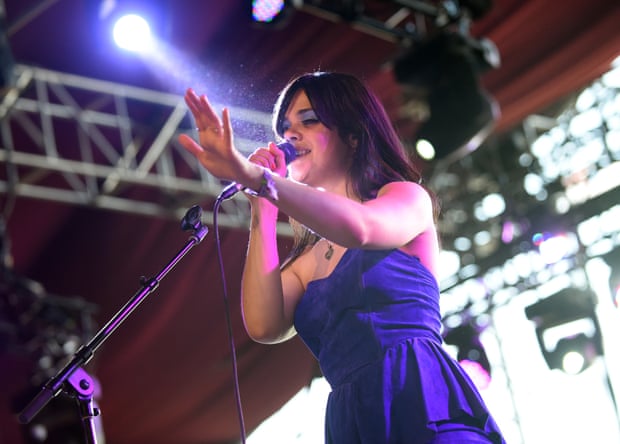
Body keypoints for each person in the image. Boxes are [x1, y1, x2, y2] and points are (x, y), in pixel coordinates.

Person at [179, 71, 506, 444]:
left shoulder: (405, 197)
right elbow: (263, 325)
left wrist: (260, 179)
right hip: (354, 417)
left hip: (419, 395)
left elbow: (361, 229)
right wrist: (262, 210)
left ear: (352, 135)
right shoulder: (304, 262)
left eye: (308, 120)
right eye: (284, 128)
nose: (290, 135)